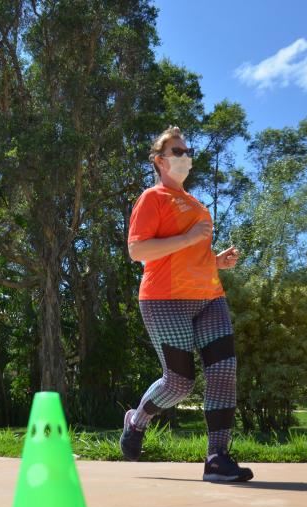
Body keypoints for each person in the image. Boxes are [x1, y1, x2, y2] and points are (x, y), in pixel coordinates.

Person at [122, 126, 253, 482]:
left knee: (224, 372)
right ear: (159, 161)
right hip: (165, 300)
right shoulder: (153, 198)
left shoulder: (198, 206)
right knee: (180, 383)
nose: (184, 156)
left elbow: (191, 255)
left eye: (186, 151)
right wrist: (187, 238)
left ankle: (217, 458)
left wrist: (215, 260)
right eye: (176, 151)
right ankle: (137, 420)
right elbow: (138, 251)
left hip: (210, 298)